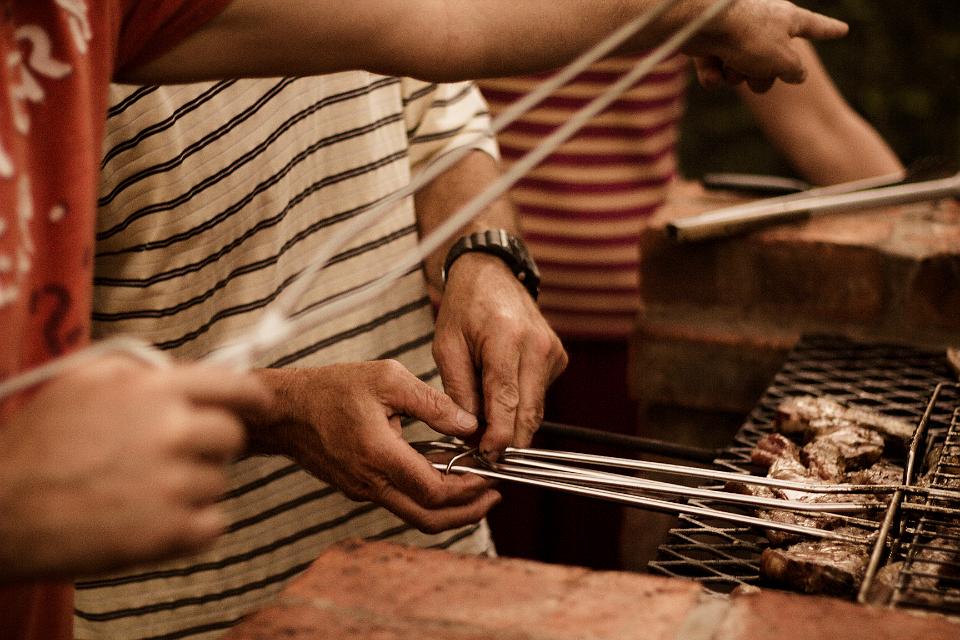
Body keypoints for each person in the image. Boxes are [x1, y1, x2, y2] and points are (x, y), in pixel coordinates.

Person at [0, 2, 848, 639]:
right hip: (190, 607)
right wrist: (277, 408)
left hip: (433, 575)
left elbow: (440, 75)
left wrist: (483, 254)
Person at [476, 40, 901, 566]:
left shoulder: (692, 5)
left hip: (627, 345)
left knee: (595, 572)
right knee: (479, 565)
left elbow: (820, 125)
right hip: (476, 330)